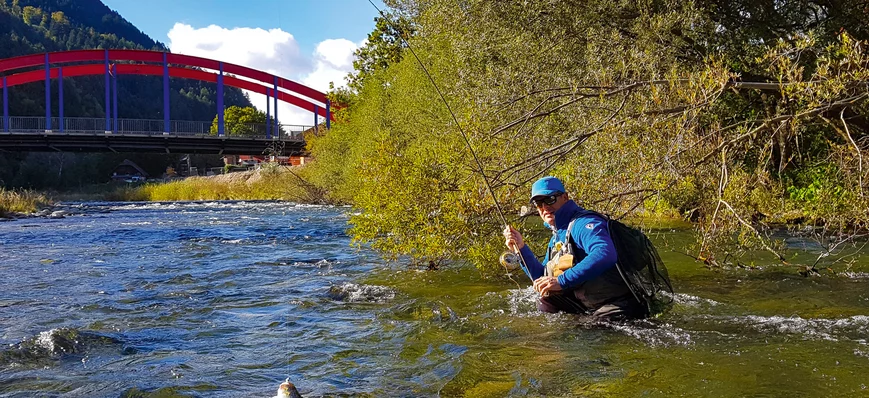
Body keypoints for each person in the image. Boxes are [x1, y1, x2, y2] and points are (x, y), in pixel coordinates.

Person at [503, 176, 647, 320]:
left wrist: (561, 281)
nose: (545, 207)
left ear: (565, 197)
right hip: (590, 305)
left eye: (550, 199)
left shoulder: (584, 223)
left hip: (620, 304)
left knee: (585, 331)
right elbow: (543, 279)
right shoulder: (557, 236)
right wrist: (521, 249)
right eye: (539, 203)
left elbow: (605, 253)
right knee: (545, 299)